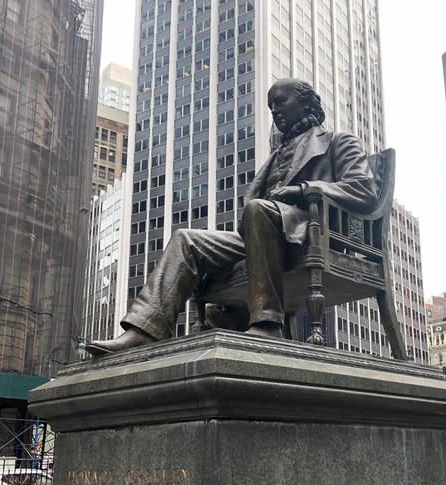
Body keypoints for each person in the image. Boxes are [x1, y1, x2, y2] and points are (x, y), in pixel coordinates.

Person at [87, 78, 377, 356]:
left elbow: (364, 191)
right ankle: (145, 330)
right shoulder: (276, 156)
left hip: (310, 234)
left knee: (257, 210)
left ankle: (267, 323)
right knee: (186, 239)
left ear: (306, 104)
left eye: (280, 102)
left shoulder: (339, 141)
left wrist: (303, 189)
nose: (274, 111)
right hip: (260, 233)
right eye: (270, 106)